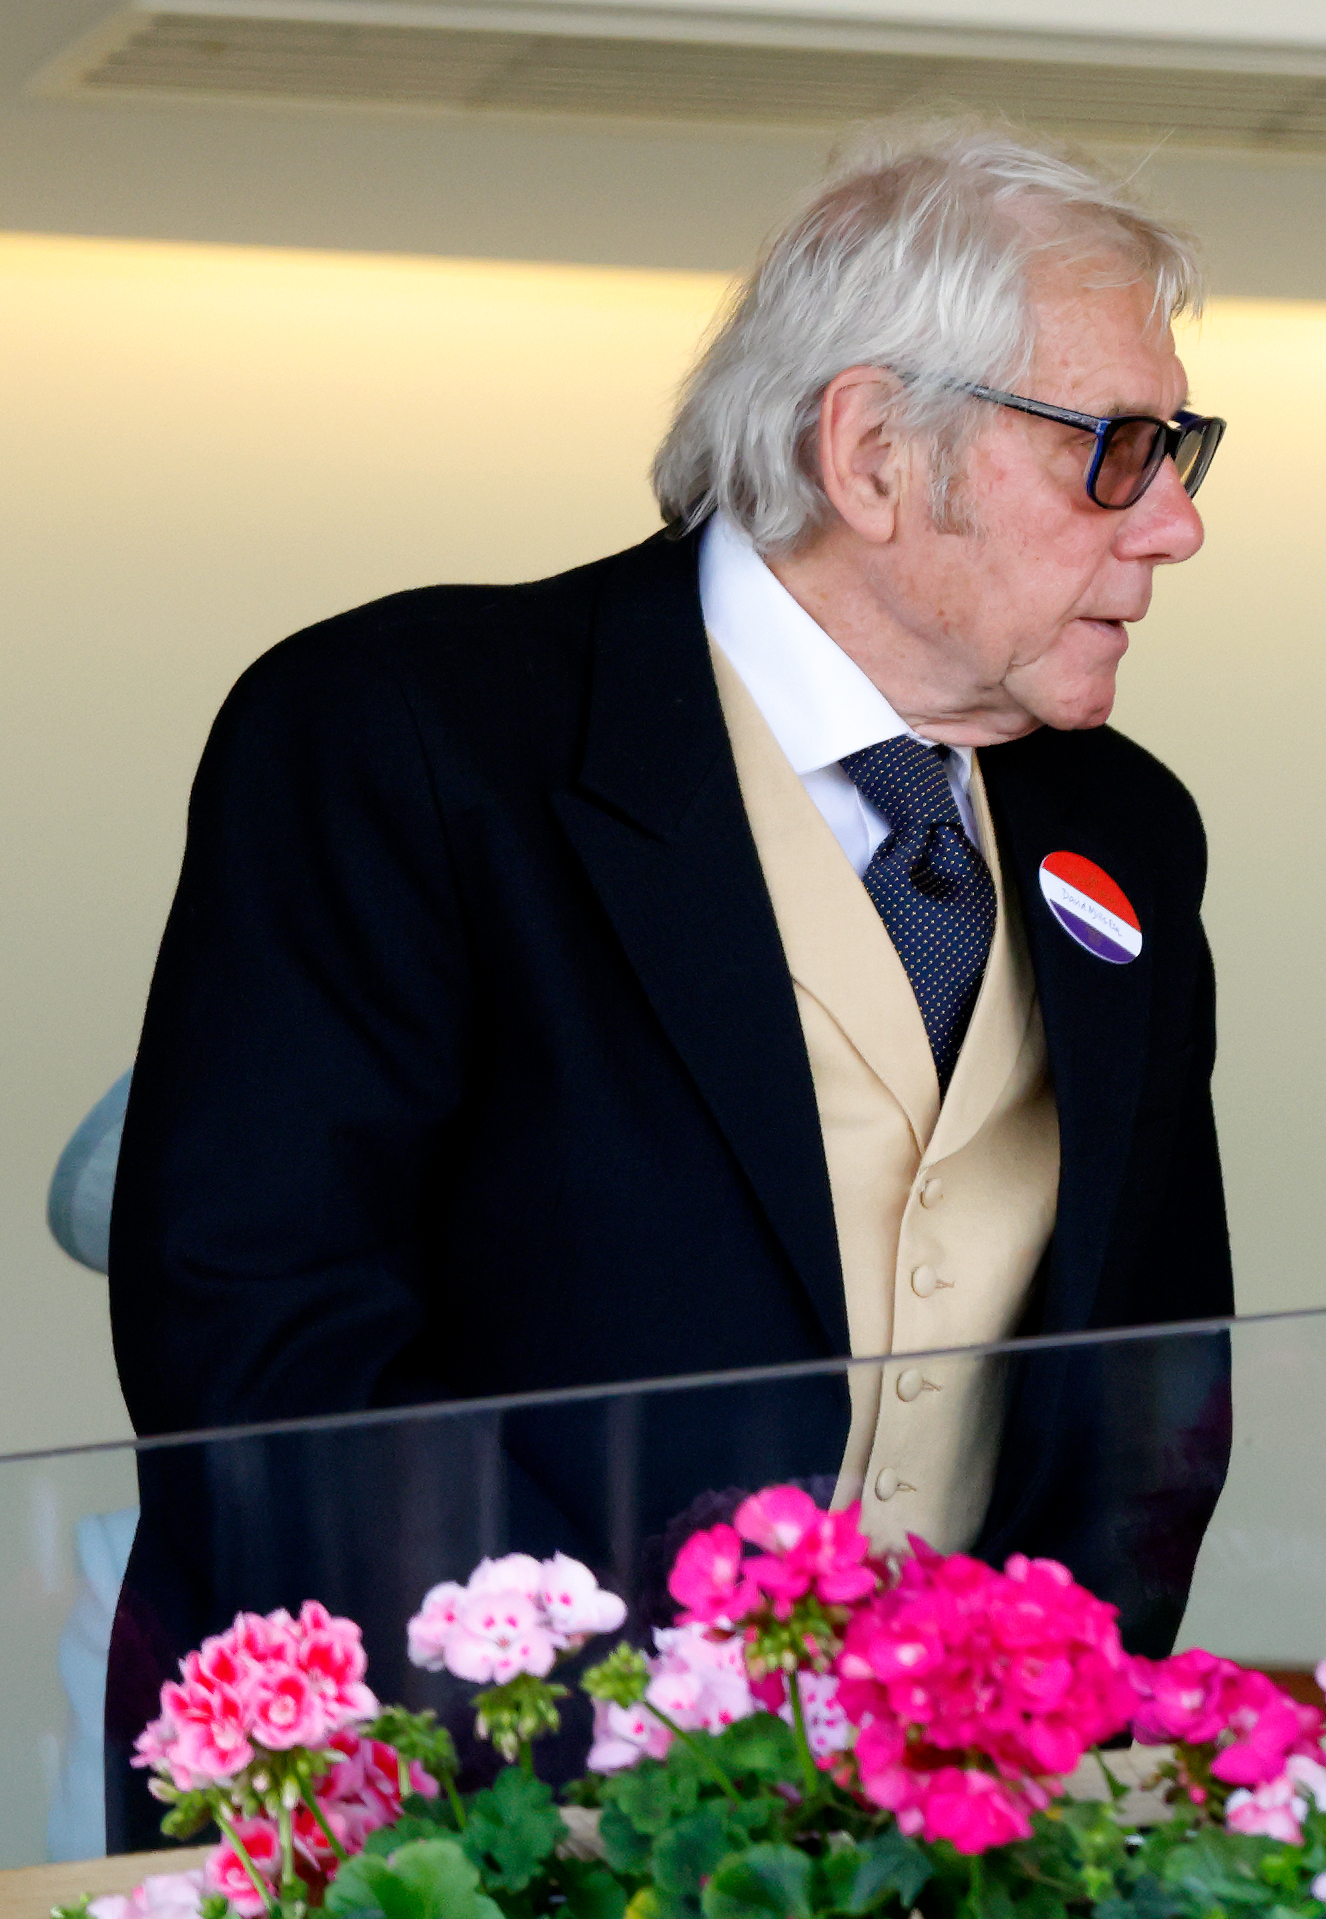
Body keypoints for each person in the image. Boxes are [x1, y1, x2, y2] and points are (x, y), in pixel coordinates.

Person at [105, 116, 1233, 1833]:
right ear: (868, 452)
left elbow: (1146, 1387)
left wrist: (1018, 1765)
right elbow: (269, 1339)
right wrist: (595, 1782)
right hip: (455, 1821)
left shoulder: (1123, 826)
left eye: (1181, 451)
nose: (1173, 527)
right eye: (1118, 451)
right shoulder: (408, 733)